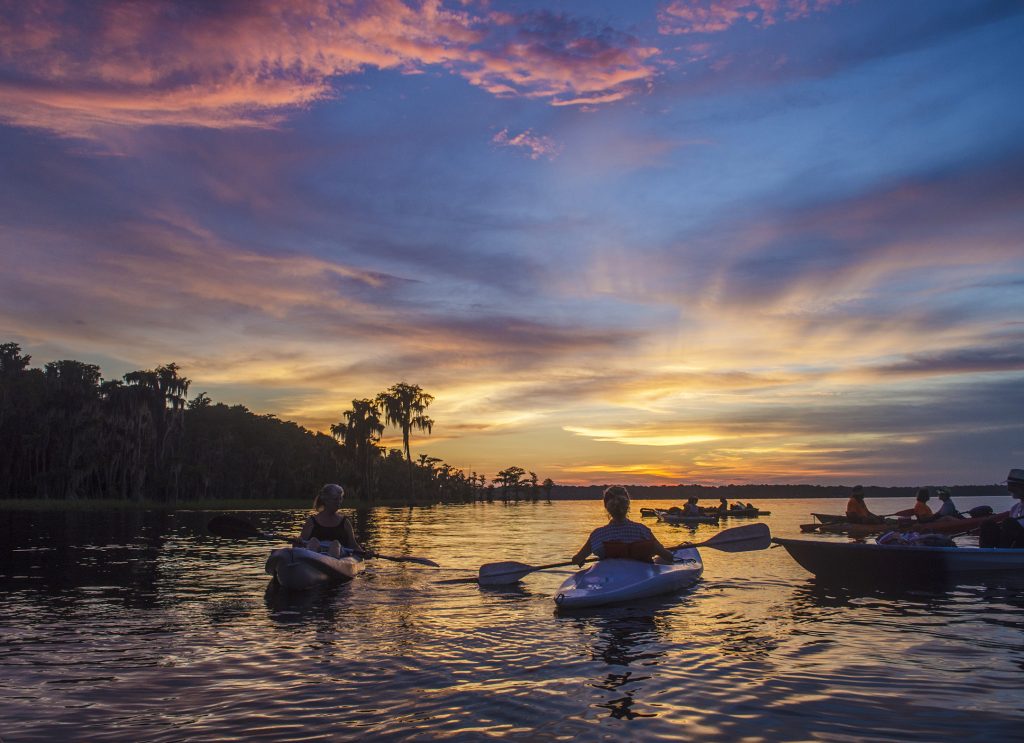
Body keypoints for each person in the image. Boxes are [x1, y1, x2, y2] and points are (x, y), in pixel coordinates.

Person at [572, 486, 677, 566]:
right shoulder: (642, 530)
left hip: (610, 579)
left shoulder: (597, 534)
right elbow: (668, 556)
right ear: (628, 504)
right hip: (641, 577)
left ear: (606, 506)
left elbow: (577, 559)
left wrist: (580, 560)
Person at [299, 484, 364, 558]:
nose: (339, 502)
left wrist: (364, 553)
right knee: (313, 541)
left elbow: (353, 545)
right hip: (315, 556)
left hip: (339, 556)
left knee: (335, 544)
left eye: (340, 499)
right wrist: (297, 542)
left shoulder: (345, 522)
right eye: (335, 499)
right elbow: (300, 544)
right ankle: (313, 563)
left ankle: (328, 563)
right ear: (326, 500)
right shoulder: (311, 521)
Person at [979, 469, 1024, 548]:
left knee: (1008, 522)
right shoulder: (1015, 508)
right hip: (1014, 543)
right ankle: (985, 554)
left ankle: (1003, 553)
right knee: (987, 524)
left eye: (1013, 485)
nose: (1009, 489)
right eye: (1009, 485)